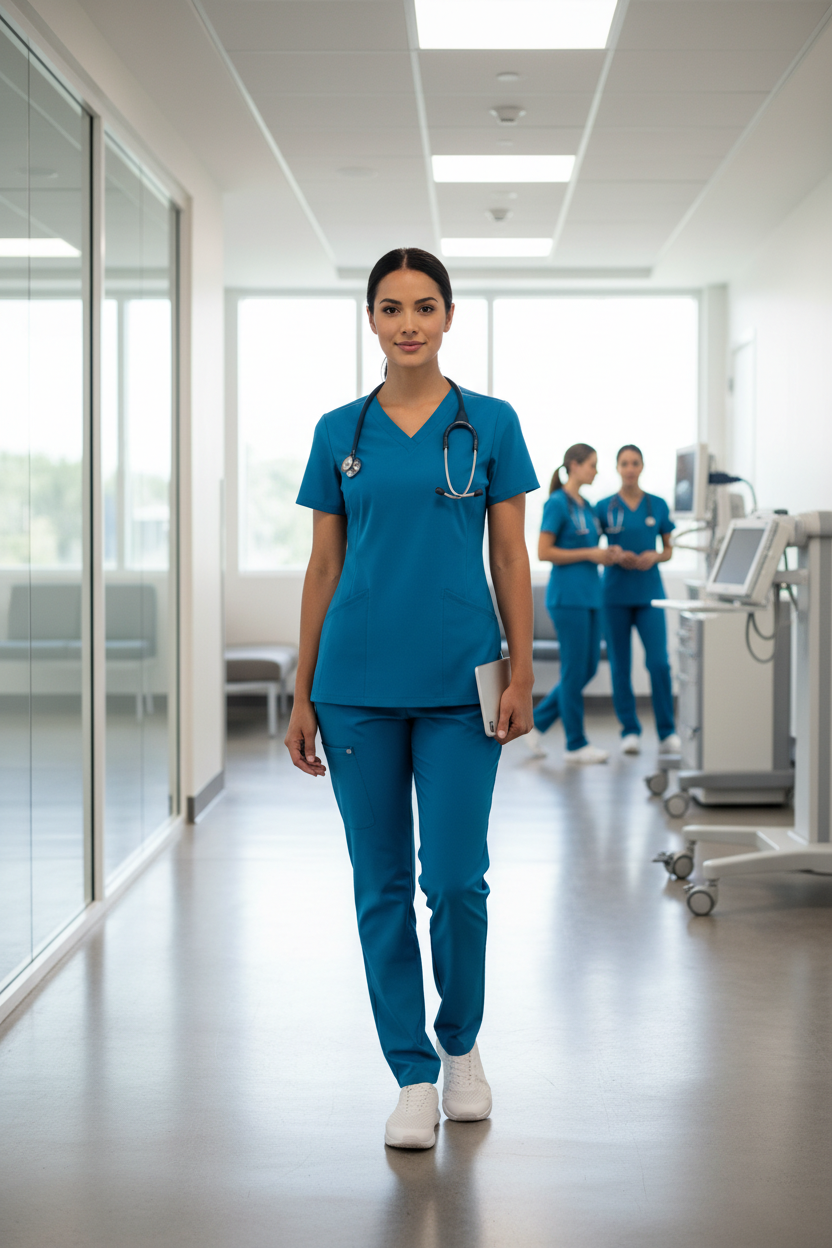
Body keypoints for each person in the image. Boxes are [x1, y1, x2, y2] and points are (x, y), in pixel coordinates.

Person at [285, 247, 539, 1150]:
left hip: (461, 683)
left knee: (457, 882)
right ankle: (411, 1073)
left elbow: (510, 555)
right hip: (353, 686)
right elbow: (323, 565)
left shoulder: (492, 424)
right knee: (380, 885)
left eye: (424, 306)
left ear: (448, 317)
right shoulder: (337, 433)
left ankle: (461, 1043)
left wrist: (521, 667)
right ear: (372, 321)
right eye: (391, 308)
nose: (408, 323)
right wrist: (302, 688)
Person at [524, 443, 620, 764]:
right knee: (574, 669)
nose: (595, 471)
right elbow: (543, 551)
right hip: (568, 598)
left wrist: (607, 554)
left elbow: (591, 545)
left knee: (587, 667)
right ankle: (575, 744)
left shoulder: (587, 506)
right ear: (575, 466)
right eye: (592, 465)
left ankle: (537, 724)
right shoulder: (557, 503)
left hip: (592, 595)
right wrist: (590, 554)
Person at [595, 444, 681, 756]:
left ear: (642, 467)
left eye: (635, 463)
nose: (630, 468)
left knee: (658, 663)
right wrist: (613, 553)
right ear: (617, 468)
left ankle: (666, 731)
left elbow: (669, 548)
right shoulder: (604, 506)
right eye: (624, 463)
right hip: (614, 595)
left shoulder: (656, 506)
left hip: (649, 596)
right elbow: (593, 548)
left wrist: (655, 556)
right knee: (620, 665)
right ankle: (629, 730)